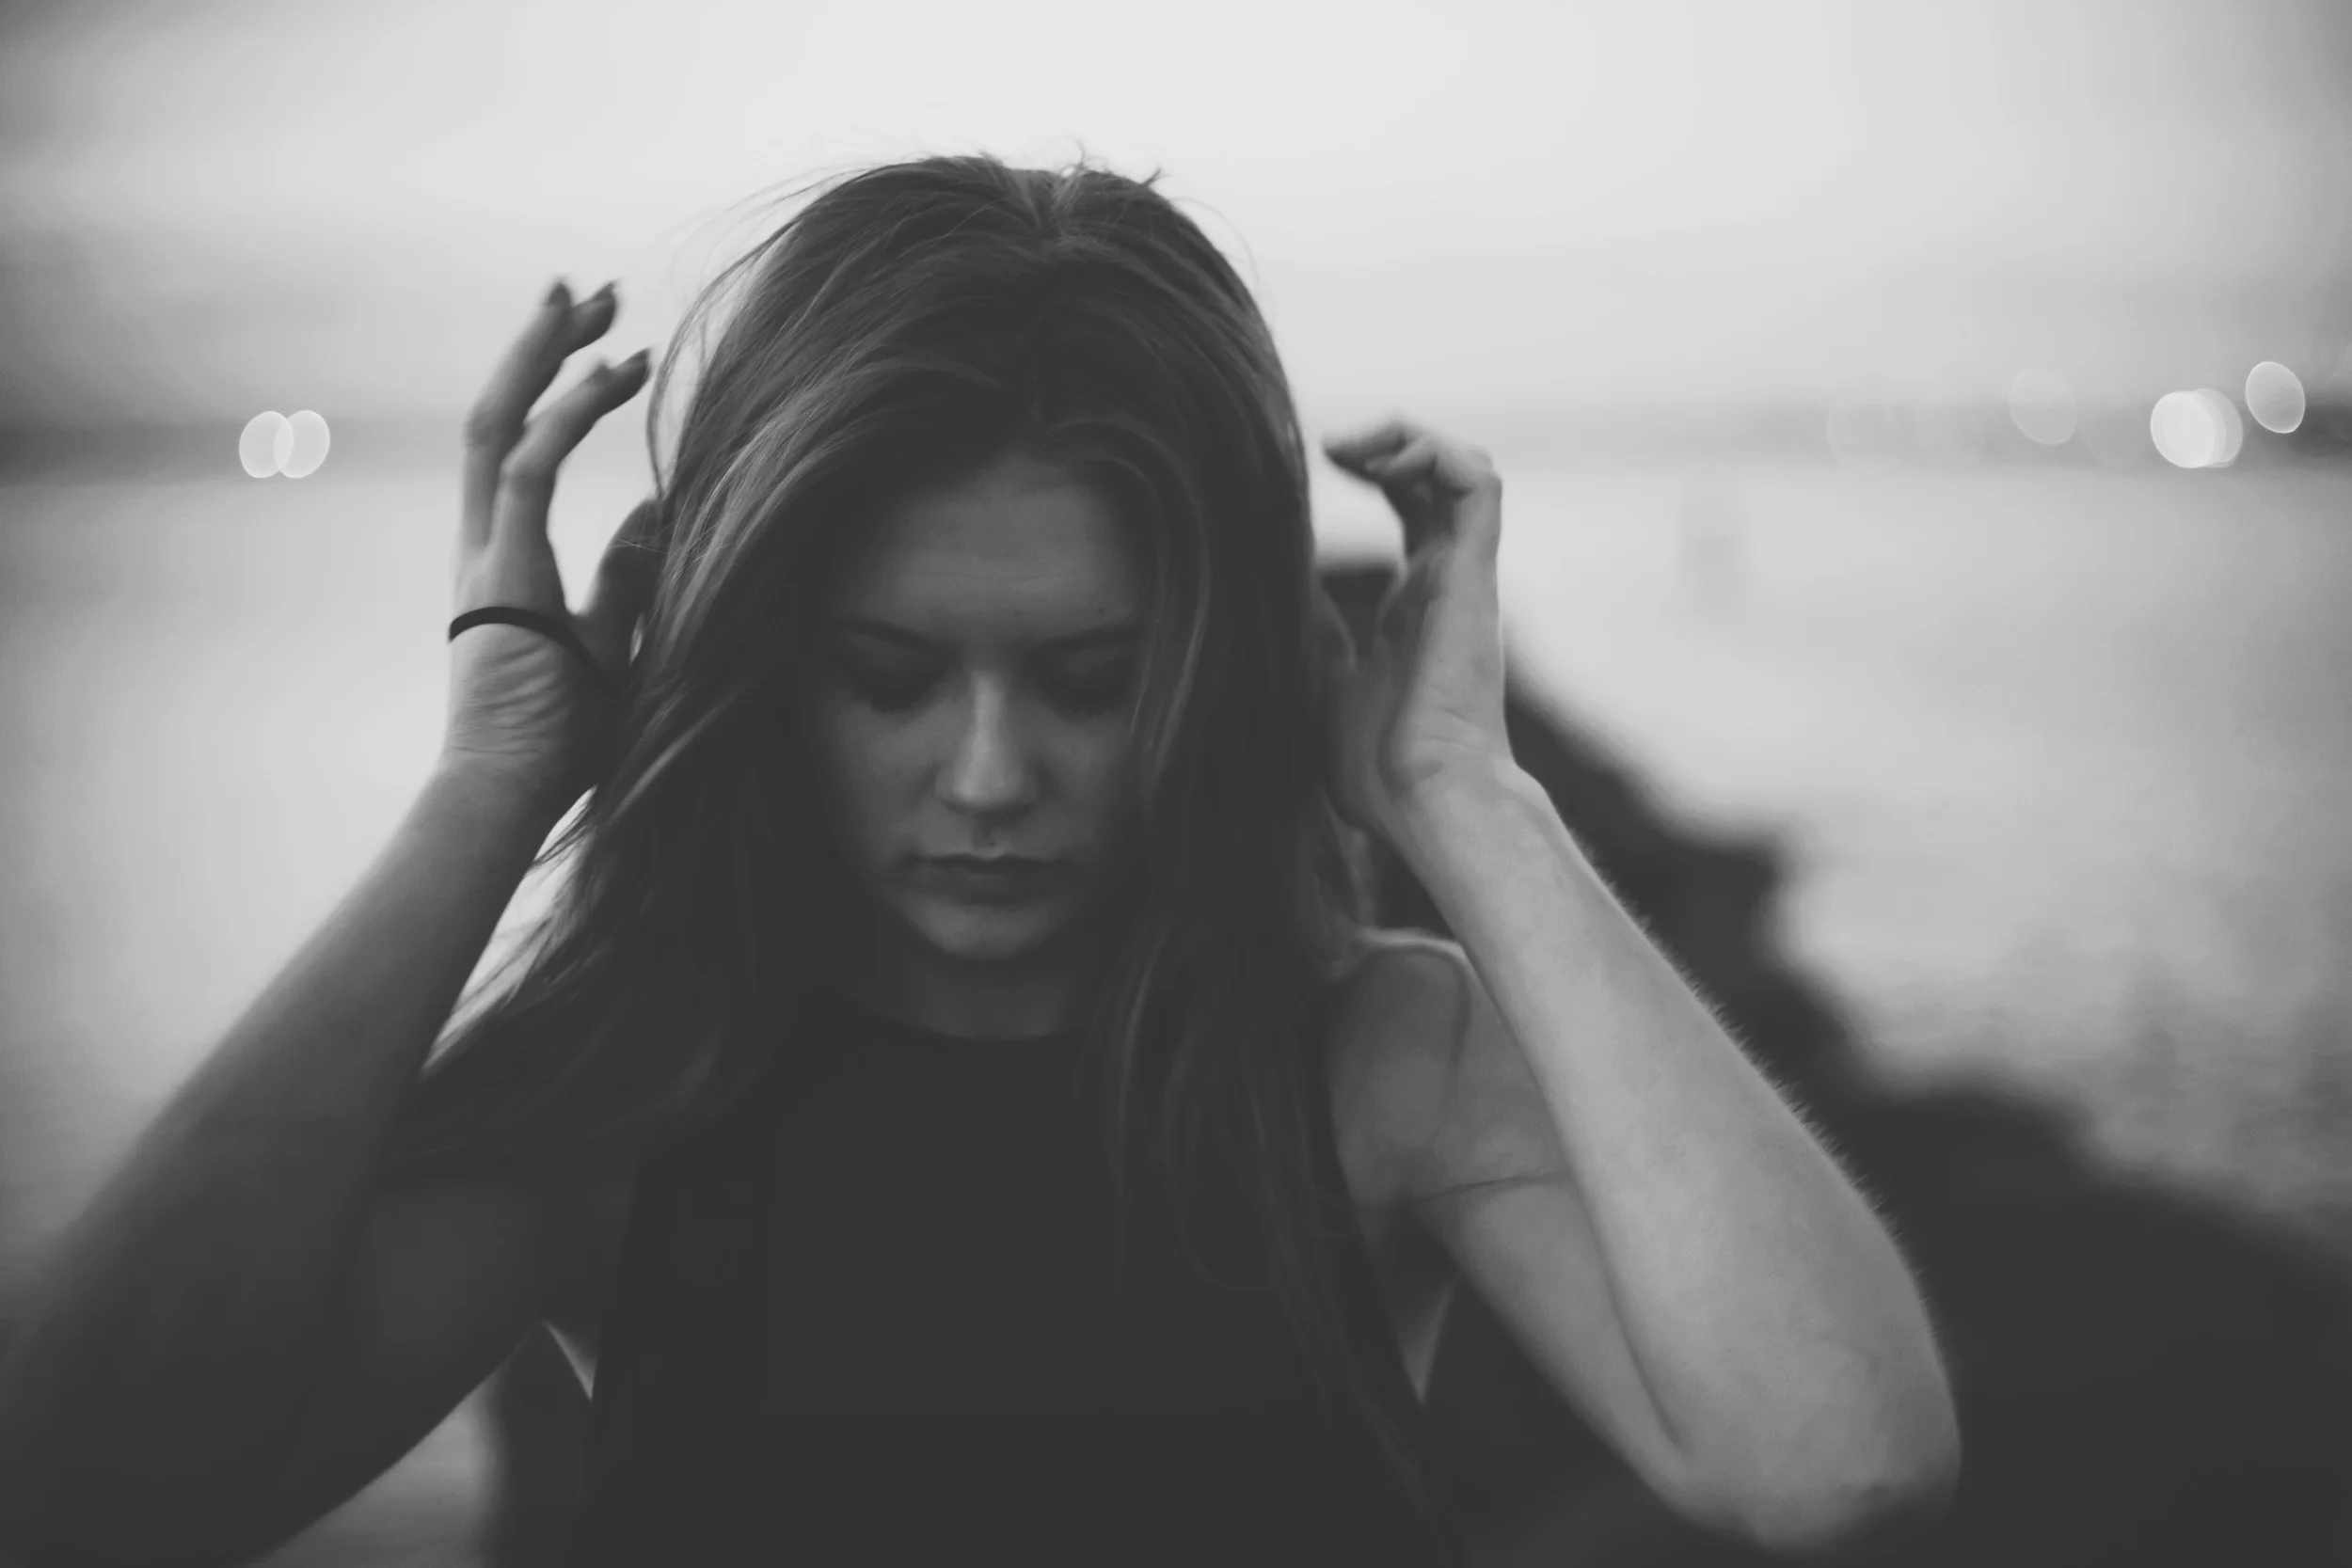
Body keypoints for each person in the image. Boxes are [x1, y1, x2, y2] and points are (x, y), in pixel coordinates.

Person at [0, 153, 1960, 1567]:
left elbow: (1840, 1465)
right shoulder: (626, 1094)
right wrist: (493, 777)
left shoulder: (1376, 1059)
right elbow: (81, 1483)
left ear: (1212, 664)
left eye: (1094, 676)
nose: (991, 772)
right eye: (883, 673)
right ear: (756, 660)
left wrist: (1468, 793)